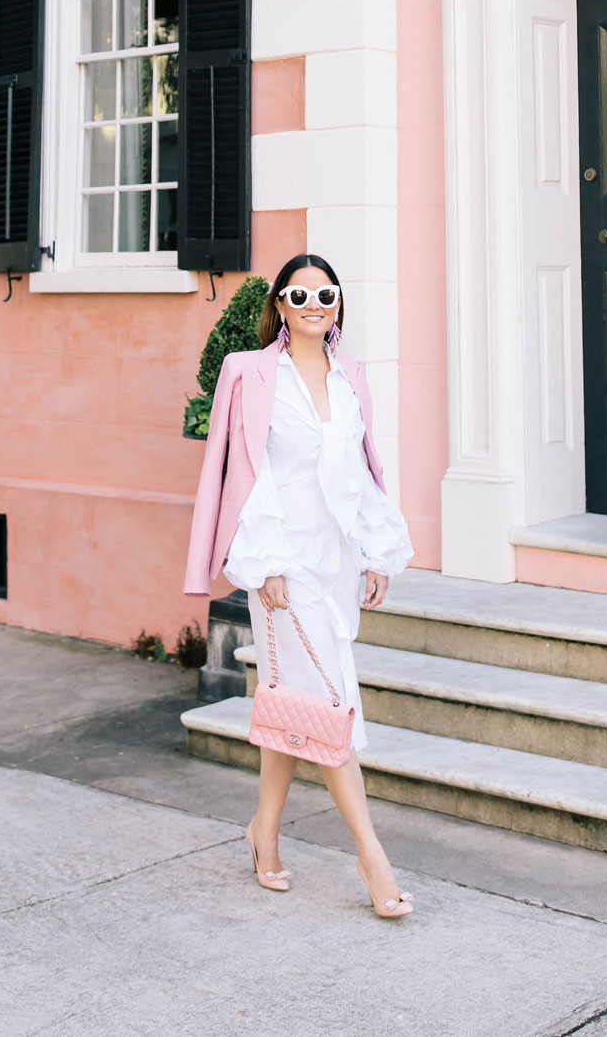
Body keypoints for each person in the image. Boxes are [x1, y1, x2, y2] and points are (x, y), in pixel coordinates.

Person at [184, 253, 415, 917]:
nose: (314, 303)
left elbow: (362, 474)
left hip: (336, 563)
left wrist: (377, 554)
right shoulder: (249, 373)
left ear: (338, 304)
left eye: (326, 293)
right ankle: (373, 860)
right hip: (281, 565)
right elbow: (245, 473)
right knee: (332, 701)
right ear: (280, 306)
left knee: (299, 703)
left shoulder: (352, 378)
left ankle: (264, 833)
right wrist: (265, 564)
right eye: (299, 293)